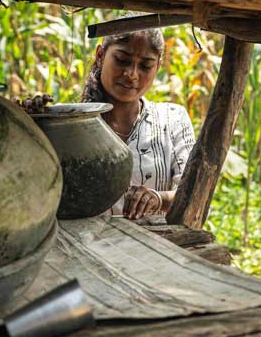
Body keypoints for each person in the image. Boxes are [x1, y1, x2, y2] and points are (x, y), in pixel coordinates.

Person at [81, 27, 195, 220]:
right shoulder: (72, 125)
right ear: (100, 55)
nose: (132, 74)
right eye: (122, 60)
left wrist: (158, 199)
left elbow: (195, 195)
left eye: (145, 66)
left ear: (158, 66)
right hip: (85, 248)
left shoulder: (172, 119)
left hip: (158, 247)